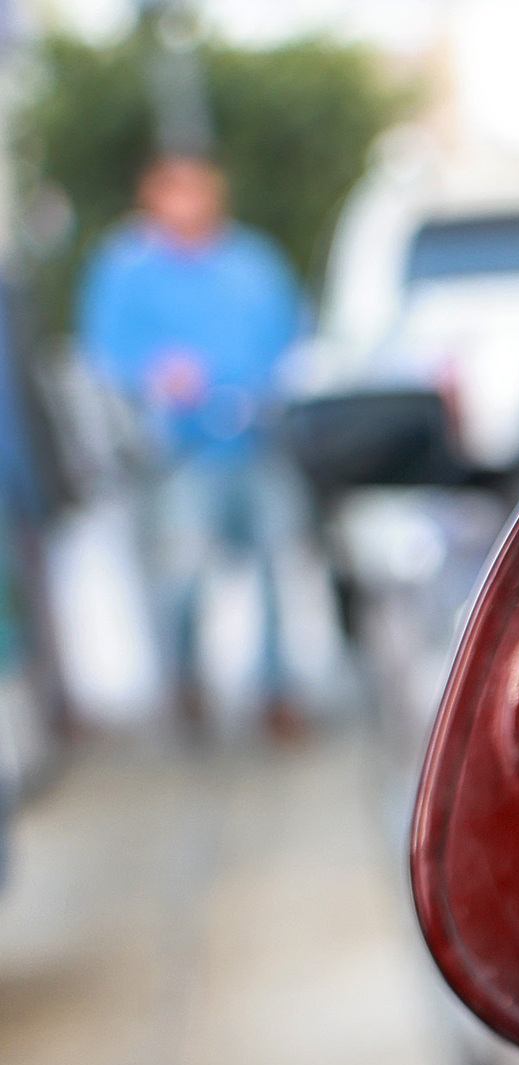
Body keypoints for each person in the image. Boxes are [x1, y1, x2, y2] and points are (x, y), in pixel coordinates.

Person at [78, 153, 308, 741]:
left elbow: (292, 338)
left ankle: (275, 689)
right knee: (182, 572)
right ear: (153, 200)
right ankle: (185, 681)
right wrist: (156, 376)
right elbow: (106, 352)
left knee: (277, 563)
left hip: (257, 441)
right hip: (180, 454)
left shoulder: (252, 263)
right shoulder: (128, 269)